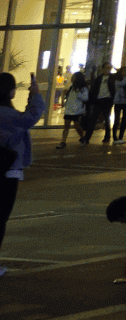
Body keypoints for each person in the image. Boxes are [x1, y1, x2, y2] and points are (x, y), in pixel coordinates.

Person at [1, 72, 46, 276]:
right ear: (9, 92)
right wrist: (35, 94)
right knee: (1, 218)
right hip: (8, 170)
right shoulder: (9, 116)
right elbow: (32, 116)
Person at [59, 70, 89, 148]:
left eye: (74, 77)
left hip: (77, 110)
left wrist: (78, 93)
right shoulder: (72, 87)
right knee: (66, 126)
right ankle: (63, 142)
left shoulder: (83, 88)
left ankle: (83, 138)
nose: (72, 78)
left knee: (76, 125)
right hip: (69, 110)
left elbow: (86, 98)